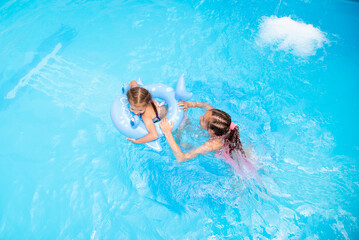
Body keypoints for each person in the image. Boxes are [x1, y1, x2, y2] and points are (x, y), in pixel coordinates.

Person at [160, 101, 259, 179]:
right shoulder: (219, 120)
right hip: (246, 150)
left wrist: (167, 133)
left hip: (239, 163)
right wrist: (189, 104)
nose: (200, 116)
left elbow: (181, 158)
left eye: (203, 119)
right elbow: (205, 105)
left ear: (211, 132)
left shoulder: (212, 144)